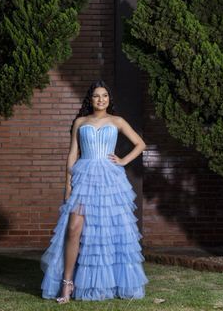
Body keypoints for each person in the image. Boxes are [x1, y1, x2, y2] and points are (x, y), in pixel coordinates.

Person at [40, 80, 148, 302]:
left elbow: (140, 144)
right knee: (74, 227)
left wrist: (123, 160)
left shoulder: (117, 121)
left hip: (109, 180)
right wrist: (68, 185)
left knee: (109, 232)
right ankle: (67, 283)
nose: (101, 99)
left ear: (109, 99)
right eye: (97, 96)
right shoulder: (81, 121)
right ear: (91, 99)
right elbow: (72, 154)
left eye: (105, 95)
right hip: (84, 178)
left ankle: (110, 282)